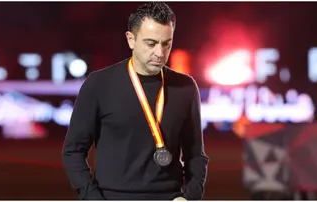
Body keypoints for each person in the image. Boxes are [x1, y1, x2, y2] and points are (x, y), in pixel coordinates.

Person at [62, 2, 209, 200]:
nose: (160, 52)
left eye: (166, 43)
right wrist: (93, 197)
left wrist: (190, 197)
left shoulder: (186, 87)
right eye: (151, 43)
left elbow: (196, 156)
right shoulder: (99, 84)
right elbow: (73, 151)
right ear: (131, 39)